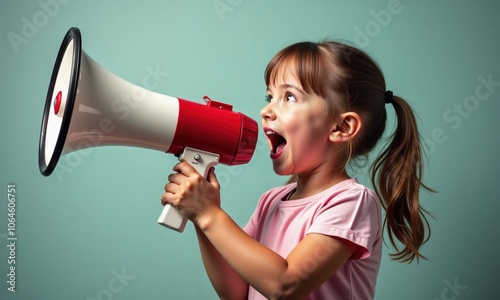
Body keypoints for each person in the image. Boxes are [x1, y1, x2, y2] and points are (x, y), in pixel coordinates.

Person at [161, 40, 433, 300]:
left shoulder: (351, 202)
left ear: (341, 128)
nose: (266, 110)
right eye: (270, 96)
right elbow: (235, 292)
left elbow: (285, 286)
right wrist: (202, 217)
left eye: (289, 96)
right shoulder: (270, 202)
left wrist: (209, 214)